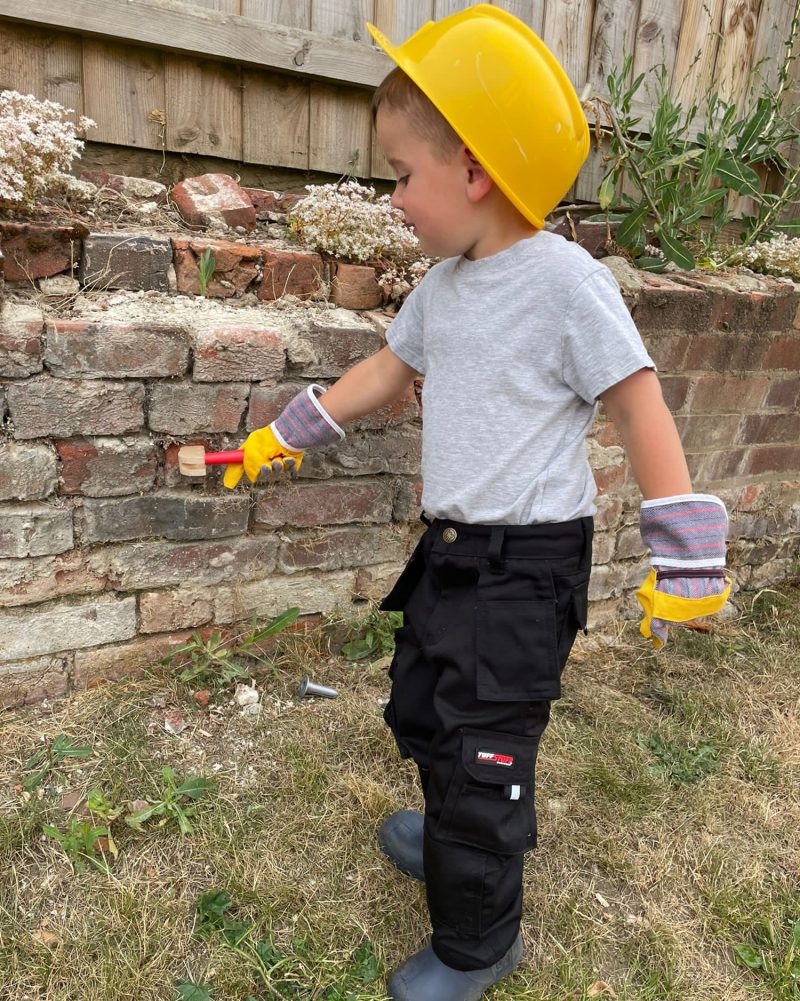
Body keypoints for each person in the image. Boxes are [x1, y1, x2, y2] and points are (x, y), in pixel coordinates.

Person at [223, 6, 730, 999]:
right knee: (421, 705)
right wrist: (285, 432)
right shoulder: (444, 287)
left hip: (525, 571)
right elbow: (386, 370)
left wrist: (685, 556)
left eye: (402, 174)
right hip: (451, 552)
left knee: (482, 753)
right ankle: (453, 831)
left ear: (474, 172)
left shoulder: (565, 283)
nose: (393, 198)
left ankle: (478, 939)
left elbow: (638, 403)